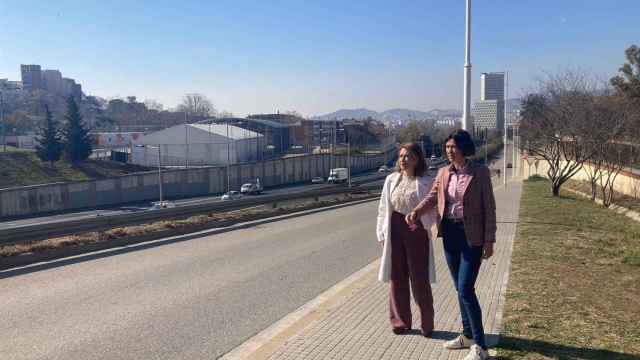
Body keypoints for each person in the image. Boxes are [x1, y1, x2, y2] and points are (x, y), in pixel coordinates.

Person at [406, 129, 497, 360]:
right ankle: (467, 335)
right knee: (459, 288)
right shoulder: (444, 172)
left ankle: (481, 346)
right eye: (447, 147)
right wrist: (417, 211)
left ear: (464, 148)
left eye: (453, 147)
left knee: (466, 289)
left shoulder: (480, 172)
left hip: (472, 236)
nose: (449, 151)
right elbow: (433, 196)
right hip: (450, 234)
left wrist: (489, 240)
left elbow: (490, 208)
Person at [376, 143, 439, 337]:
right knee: (397, 276)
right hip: (394, 229)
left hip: (416, 230)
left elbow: (434, 207)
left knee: (419, 278)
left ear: (418, 159)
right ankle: (400, 321)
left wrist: (430, 226)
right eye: (401, 156)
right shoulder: (391, 180)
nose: (403, 159)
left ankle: (427, 324)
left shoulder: (427, 181)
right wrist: (381, 233)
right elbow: (383, 209)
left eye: (409, 156)